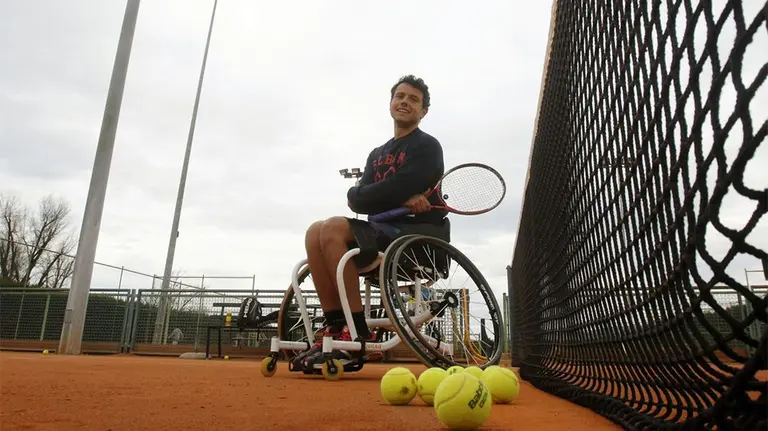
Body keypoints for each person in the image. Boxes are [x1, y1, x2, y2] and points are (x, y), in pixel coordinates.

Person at [292, 74, 450, 371]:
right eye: (400, 96)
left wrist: (376, 195)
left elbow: (397, 186)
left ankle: (358, 332)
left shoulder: (428, 147)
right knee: (316, 230)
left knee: (335, 226)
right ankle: (337, 326)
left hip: (414, 237)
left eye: (413, 99)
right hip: (378, 232)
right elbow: (357, 199)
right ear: (391, 102)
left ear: (424, 111)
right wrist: (390, 196)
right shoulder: (376, 155)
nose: (405, 102)